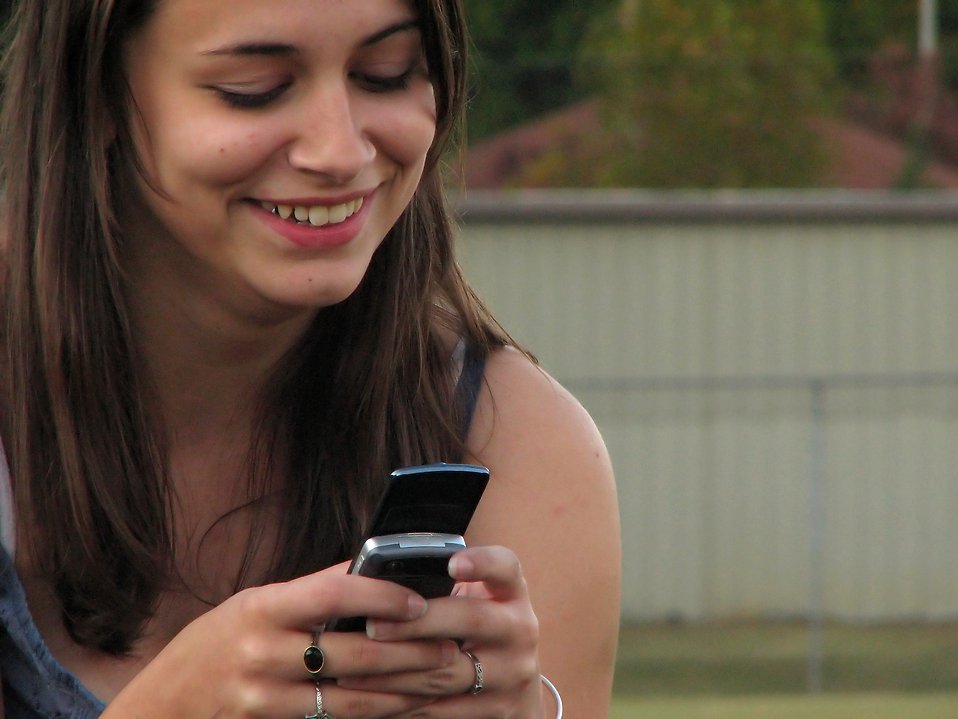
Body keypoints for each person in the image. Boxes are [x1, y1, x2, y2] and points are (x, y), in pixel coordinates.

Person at [0, 0, 621, 717]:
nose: (340, 152)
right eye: (254, 87)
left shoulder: (518, 441)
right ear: (98, 92)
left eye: (386, 74)